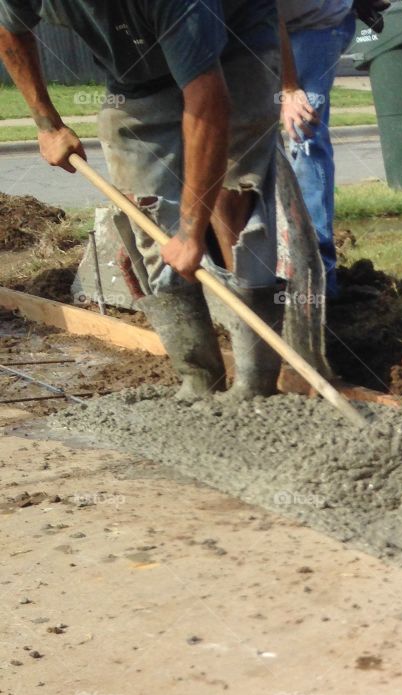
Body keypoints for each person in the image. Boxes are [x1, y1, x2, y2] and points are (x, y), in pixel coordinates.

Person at [0, 0, 285, 402]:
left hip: (233, 51)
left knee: (231, 204)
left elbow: (208, 101)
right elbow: (9, 29)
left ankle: (256, 387)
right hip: (136, 74)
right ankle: (199, 379)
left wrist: (190, 232)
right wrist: (47, 124)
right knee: (145, 212)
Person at [278, 0, 385, 301]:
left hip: (317, 24)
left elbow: (270, 13)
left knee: (304, 133)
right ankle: (272, 266)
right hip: (270, 26)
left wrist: (289, 88)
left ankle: (319, 275)